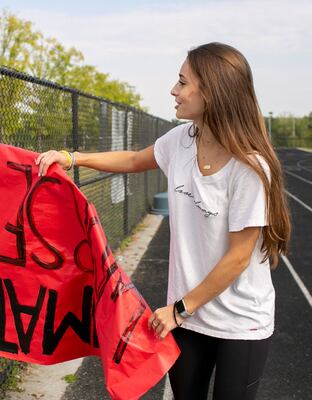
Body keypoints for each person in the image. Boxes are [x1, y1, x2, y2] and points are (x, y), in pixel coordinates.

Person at [35, 42, 291, 400]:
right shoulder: (181, 141)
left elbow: (237, 258)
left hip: (238, 322)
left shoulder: (248, 167)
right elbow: (134, 160)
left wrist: (179, 308)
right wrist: (72, 157)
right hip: (187, 317)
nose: (173, 90)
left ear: (213, 93)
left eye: (183, 82)